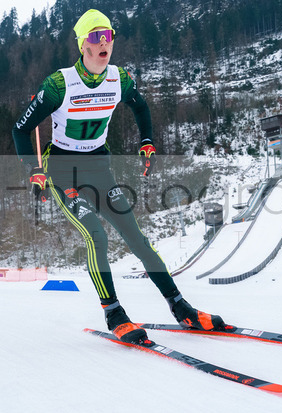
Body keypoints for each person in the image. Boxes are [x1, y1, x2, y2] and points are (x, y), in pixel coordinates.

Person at [12, 9, 227, 344]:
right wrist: (34, 170)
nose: (104, 43)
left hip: (99, 167)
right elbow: (20, 130)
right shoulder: (59, 84)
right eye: (96, 37)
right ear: (83, 44)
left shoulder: (119, 79)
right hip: (63, 171)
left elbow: (140, 106)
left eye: (109, 36)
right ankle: (114, 313)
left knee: (136, 238)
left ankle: (181, 307)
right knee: (96, 235)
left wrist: (146, 141)